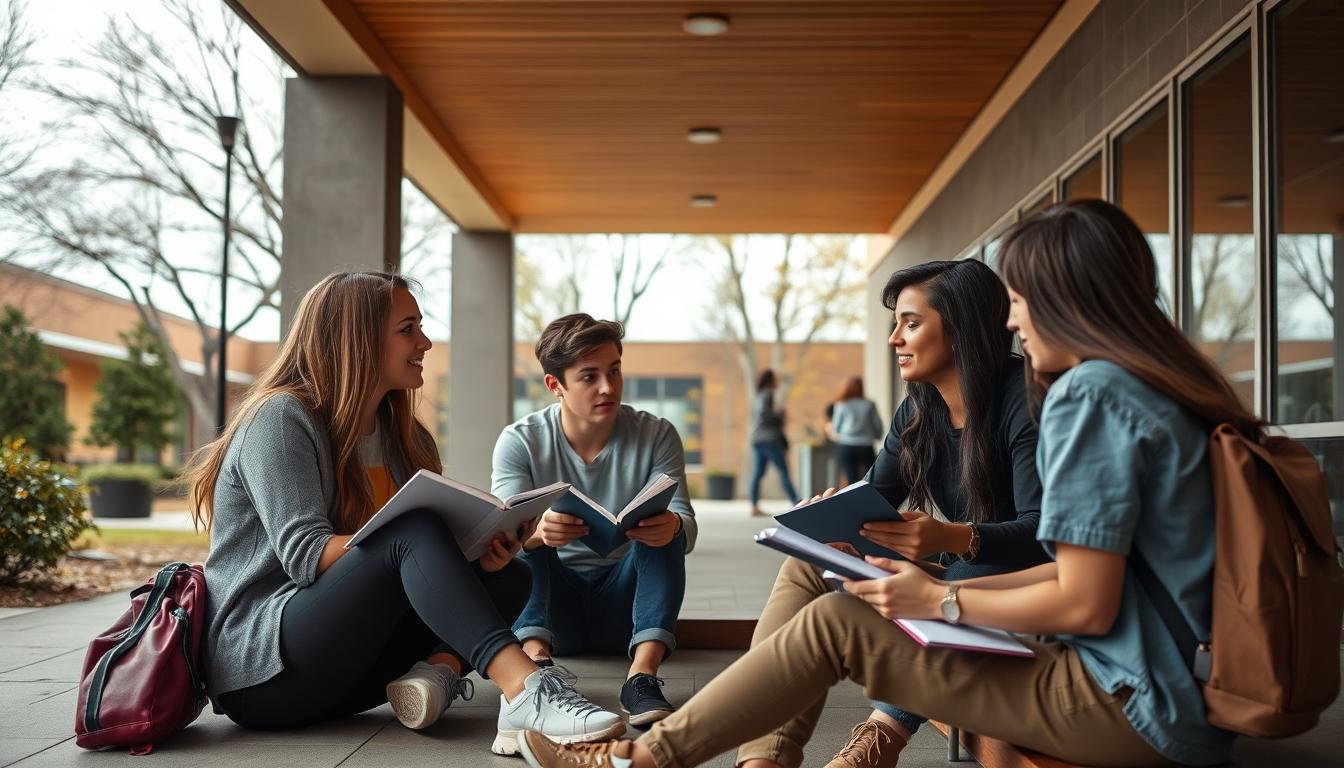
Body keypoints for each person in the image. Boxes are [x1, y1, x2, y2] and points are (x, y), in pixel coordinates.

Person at [514, 199, 1249, 768]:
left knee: (839, 623)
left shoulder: (1090, 397)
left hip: (1127, 699)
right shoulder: (1155, 389)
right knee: (829, 587)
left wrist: (939, 597)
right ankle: (715, 757)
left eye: (1021, 299)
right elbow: (1087, 584)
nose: (1015, 322)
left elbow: (1085, 598)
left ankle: (635, 758)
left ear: (1066, 296)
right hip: (1148, 688)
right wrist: (862, 545)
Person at [190, 273, 624, 755]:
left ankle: (434, 678)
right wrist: (414, 540)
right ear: (358, 338)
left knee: (509, 577)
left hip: (350, 677)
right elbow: (306, 556)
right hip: (264, 672)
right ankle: (526, 690)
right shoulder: (280, 417)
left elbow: (408, 568)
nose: (425, 341)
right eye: (408, 328)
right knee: (410, 530)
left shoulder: (404, 437)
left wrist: (481, 554)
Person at [759, 258, 1048, 768]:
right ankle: (765, 758)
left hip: (1021, 586)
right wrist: (827, 523)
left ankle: (880, 737)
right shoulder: (919, 408)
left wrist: (954, 538)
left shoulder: (1024, 400)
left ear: (961, 330)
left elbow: (1043, 534)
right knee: (804, 563)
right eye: (896, 323)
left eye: (911, 323)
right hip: (956, 571)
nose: (895, 338)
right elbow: (875, 497)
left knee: (968, 567)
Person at [493, 313, 696, 730]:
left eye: (615, 371)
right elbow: (495, 541)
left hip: (627, 608)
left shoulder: (657, 433)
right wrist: (536, 532)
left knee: (667, 529)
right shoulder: (519, 440)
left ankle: (642, 676)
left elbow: (688, 525)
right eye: (589, 377)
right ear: (556, 386)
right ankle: (536, 666)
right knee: (524, 537)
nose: (608, 387)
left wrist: (673, 527)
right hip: (554, 612)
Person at [748, 369, 800, 515]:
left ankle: (753, 506)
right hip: (769, 439)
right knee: (783, 470)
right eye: (775, 379)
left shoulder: (758, 395)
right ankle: (797, 503)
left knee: (758, 473)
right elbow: (764, 415)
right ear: (770, 380)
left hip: (757, 438)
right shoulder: (768, 393)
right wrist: (780, 415)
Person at [824, 376, 884, 486]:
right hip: (866, 446)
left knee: (852, 480)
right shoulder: (869, 404)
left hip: (846, 446)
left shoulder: (841, 404)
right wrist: (877, 436)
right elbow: (877, 425)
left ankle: (855, 502)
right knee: (869, 480)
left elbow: (836, 427)